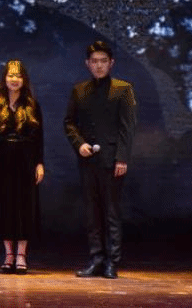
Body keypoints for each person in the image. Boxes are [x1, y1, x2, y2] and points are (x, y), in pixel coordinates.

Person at [64, 40, 137, 279]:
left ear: (111, 63)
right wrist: (79, 143)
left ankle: (112, 262)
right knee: (92, 212)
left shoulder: (123, 89)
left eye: (103, 61)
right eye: (94, 61)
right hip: (88, 161)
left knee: (111, 212)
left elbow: (127, 128)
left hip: (112, 160)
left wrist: (122, 158)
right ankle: (96, 259)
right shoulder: (80, 90)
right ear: (87, 63)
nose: (99, 65)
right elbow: (69, 123)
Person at [0, 60, 44, 274]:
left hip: (25, 159)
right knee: (4, 206)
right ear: (4, 79)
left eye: (18, 76)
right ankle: (8, 254)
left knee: (25, 206)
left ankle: (21, 255)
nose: (14, 79)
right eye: (10, 75)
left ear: (24, 80)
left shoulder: (32, 105)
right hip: (0, 159)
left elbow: (39, 138)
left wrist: (39, 163)